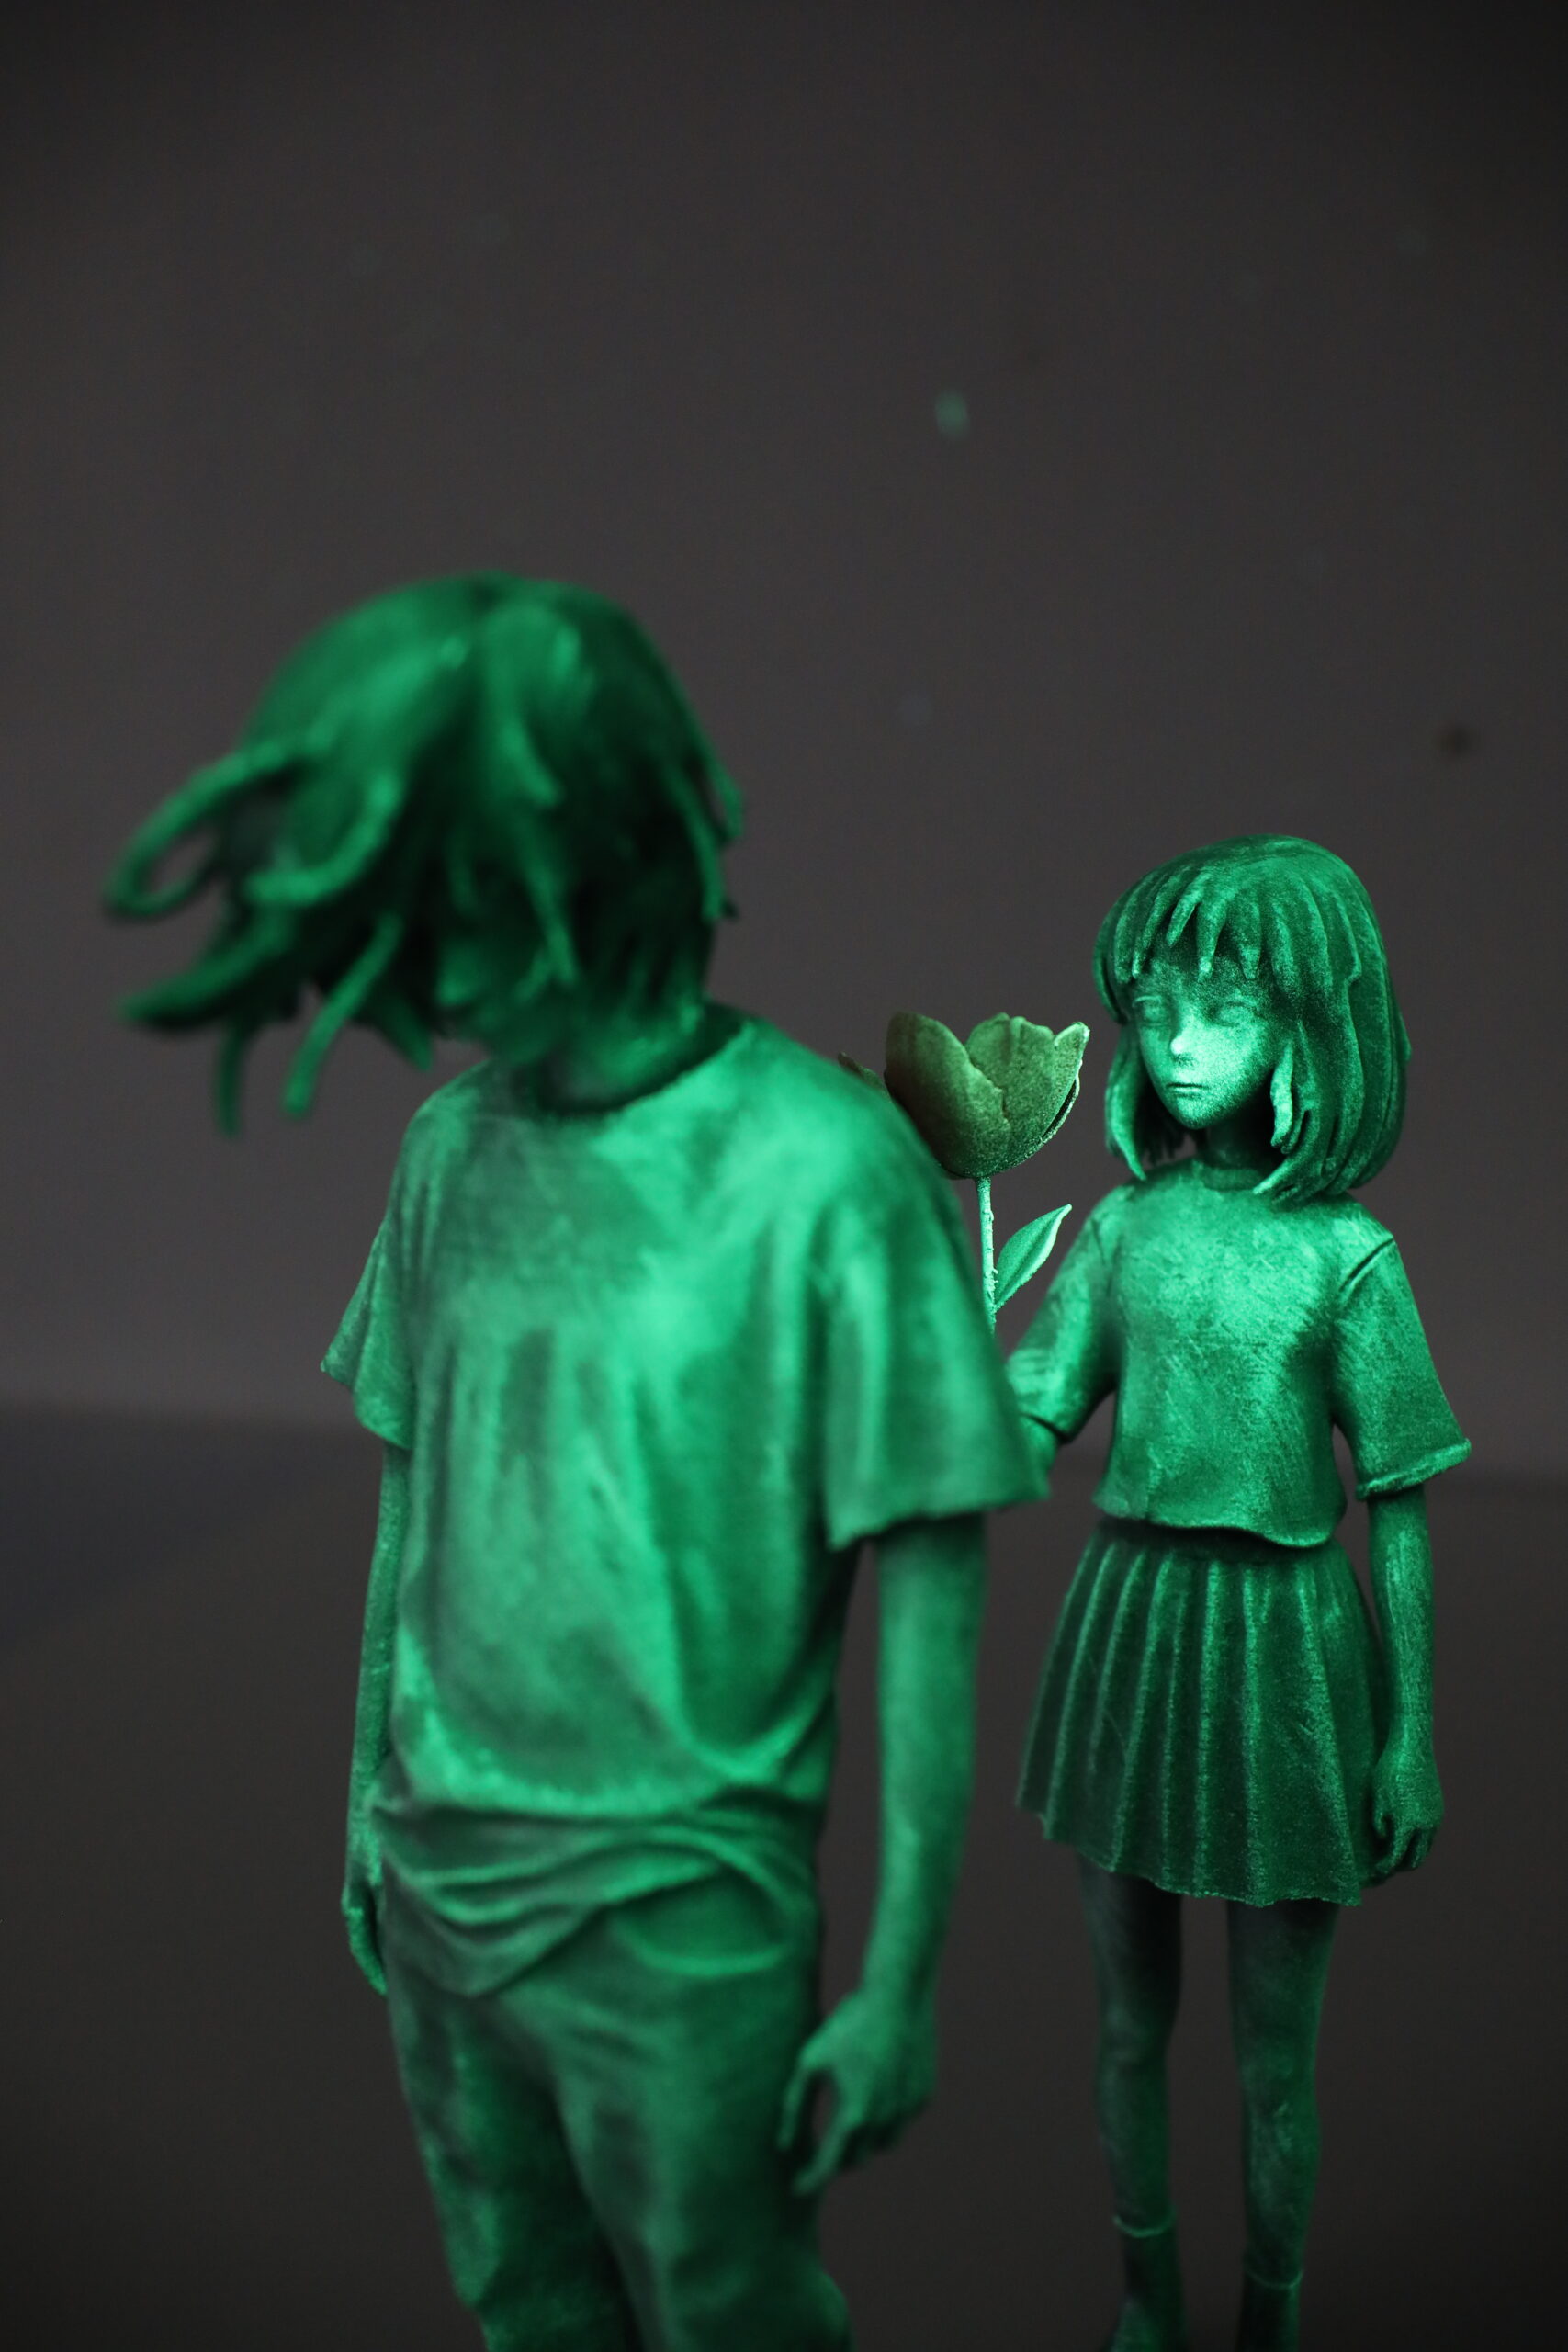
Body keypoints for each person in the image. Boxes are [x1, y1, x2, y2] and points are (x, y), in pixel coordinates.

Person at [105, 574, 1041, 2352]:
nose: (426, 982)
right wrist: (369, 1797)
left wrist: (901, 1977)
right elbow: (418, 1490)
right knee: (525, 2302)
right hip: (443, 1883)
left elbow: (930, 1571)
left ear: (587, 849)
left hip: (684, 1910)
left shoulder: (829, 1174)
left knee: (730, 2309)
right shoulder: (448, 1153)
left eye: (445, 913)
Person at [1007, 836, 1468, 2352]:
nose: (1182, 1043)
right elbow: (1030, 1414)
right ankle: (1149, 2298)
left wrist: (1409, 1733)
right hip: (1133, 1627)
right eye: (1154, 1010)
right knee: (1126, 2027)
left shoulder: (1346, 1254)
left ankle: (1269, 2317)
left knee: (1276, 2063)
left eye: (1225, 1007)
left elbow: (1398, 1500)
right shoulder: (1122, 1227)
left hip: (1287, 1647)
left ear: (1310, 1026)